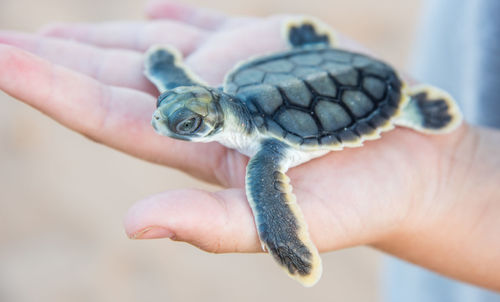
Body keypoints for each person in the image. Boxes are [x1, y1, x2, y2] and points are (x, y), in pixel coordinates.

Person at [0, 0, 498, 292]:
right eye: (173, 113)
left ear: (212, 121)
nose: (164, 124)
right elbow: (183, 88)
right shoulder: (223, 93)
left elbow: (265, 187)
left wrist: (285, 238)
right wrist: (166, 73)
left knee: (263, 188)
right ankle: (312, 48)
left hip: (371, 95)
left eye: (185, 124)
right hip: (296, 75)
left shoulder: (268, 152)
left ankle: (410, 108)